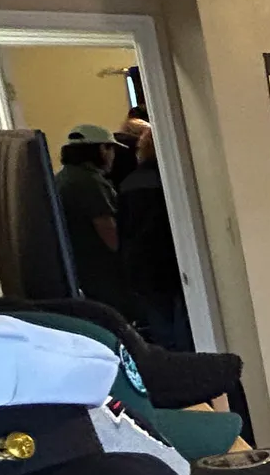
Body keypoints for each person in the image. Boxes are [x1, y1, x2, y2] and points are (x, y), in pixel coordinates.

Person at [117, 122, 192, 349]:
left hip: (140, 263)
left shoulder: (129, 183)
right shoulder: (171, 181)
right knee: (183, 318)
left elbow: (123, 228)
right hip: (169, 258)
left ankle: (169, 362)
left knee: (160, 321)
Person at [55, 124, 141, 318]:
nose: (113, 157)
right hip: (103, 273)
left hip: (83, 270)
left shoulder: (64, 177)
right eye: (112, 149)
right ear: (102, 149)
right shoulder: (90, 183)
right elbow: (111, 237)